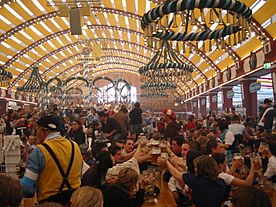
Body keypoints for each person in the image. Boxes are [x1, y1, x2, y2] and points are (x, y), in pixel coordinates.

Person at [20, 115, 83, 205]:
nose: (36, 133)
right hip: (73, 202)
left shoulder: (39, 151)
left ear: (43, 131)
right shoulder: (75, 146)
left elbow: (27, 188)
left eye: (37, 129)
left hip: (49, 204)